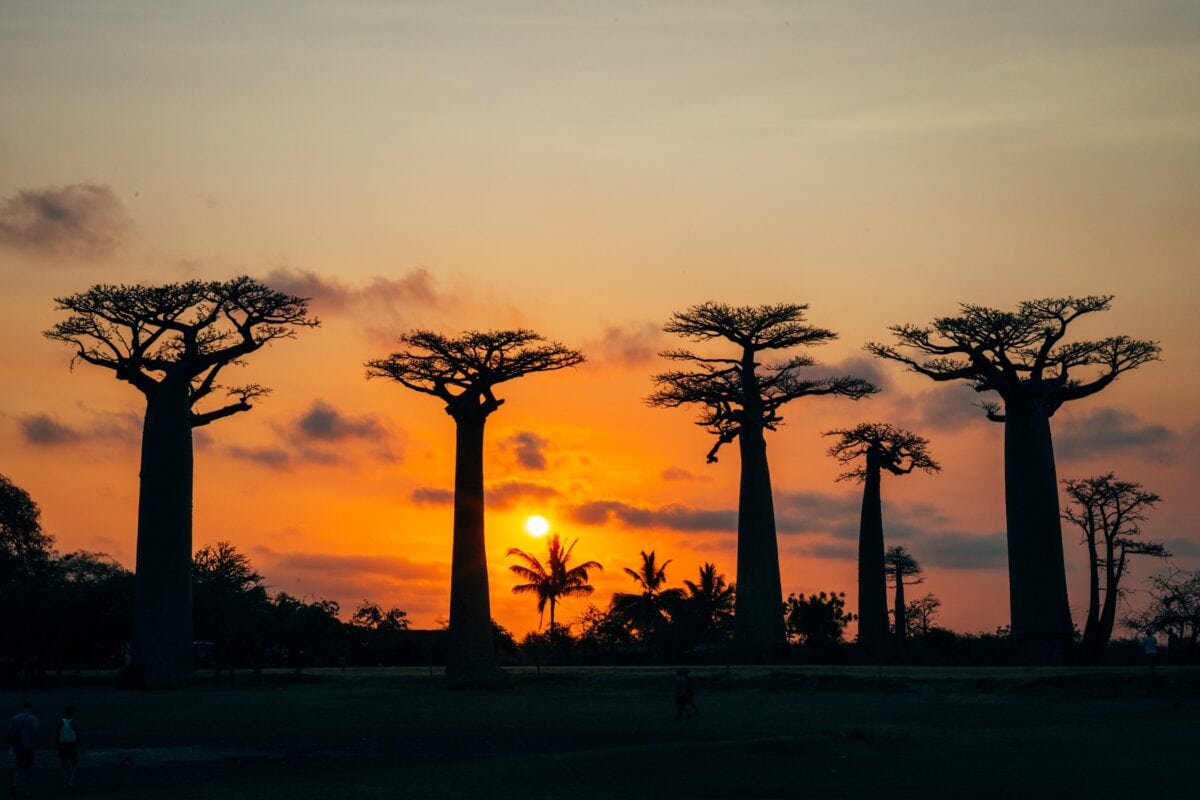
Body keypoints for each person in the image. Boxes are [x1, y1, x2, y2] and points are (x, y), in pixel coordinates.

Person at [8, 701, 37, 796]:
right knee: (29, 767)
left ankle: (14, 784)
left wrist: (12, 744)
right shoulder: (33, 718)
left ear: (23, 707)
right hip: (29, 746)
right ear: (30, 708)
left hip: (19, 746)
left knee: (18, 766)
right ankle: (27, 790)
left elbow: (11, 731)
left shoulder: (15, 717)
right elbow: (34, 733)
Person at [57, 706, 79, 793]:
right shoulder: (73, 722)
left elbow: (57, 733)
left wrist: (57, 744)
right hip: (71, 744)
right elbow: (77, 735)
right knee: (73, 765)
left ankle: (66, 782)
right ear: (73, 713)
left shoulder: (61, 721)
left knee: (64, 764)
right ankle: (70, 783)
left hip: (62, 744)